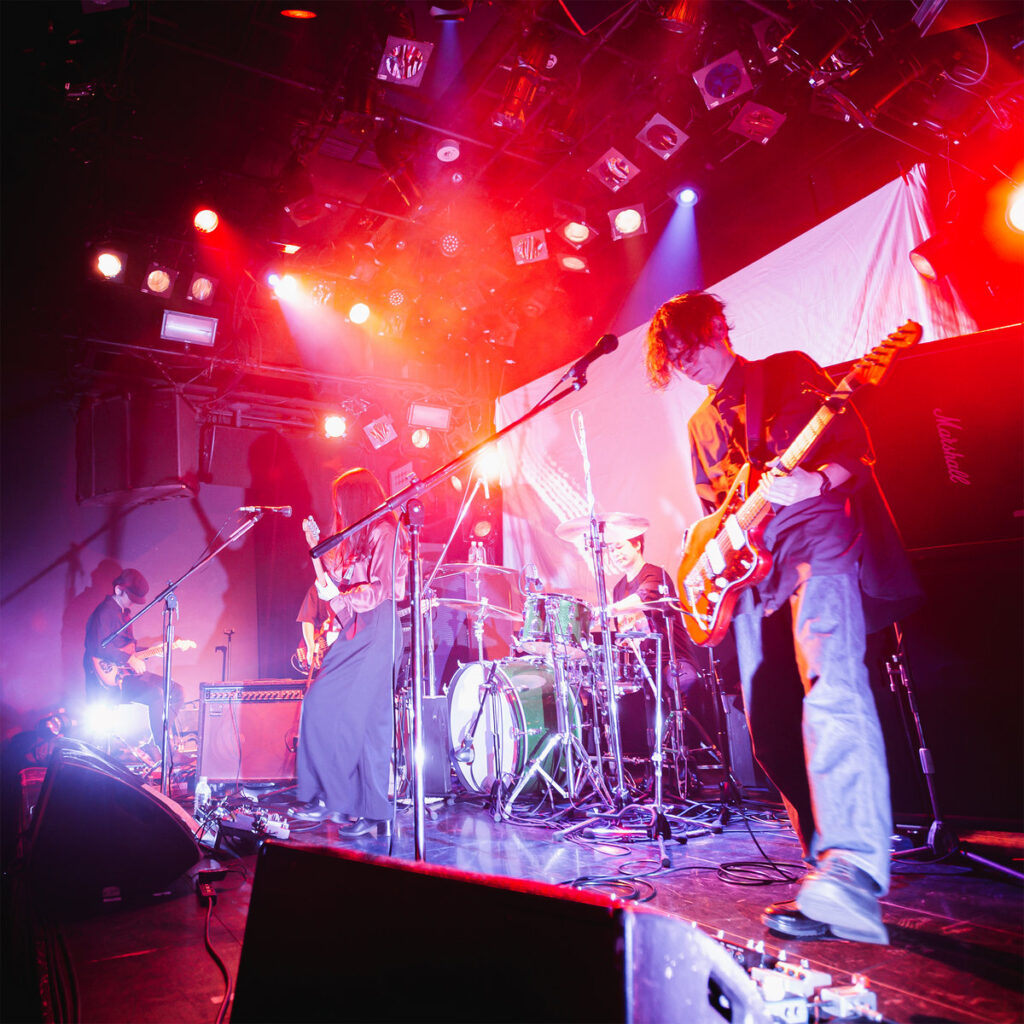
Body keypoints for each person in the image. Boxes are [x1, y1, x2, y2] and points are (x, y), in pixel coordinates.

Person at [644, 291, 919, 945]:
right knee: (766, 729)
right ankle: (824, 870)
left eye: (688, 347)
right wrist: (706, 557)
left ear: (716, 328)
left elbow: (858, 451)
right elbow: (716, 512)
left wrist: (814, 482)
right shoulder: (699, 427)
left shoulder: (787, 370)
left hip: (819, 542)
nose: (685, 364)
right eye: (673, 359)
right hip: (755, 575)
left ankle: (851, 872)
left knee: (832, 688)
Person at [291, 468, 408, 838]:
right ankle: (372, 809)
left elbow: (381, 589)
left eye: (341, 501)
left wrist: (340, 598)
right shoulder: (356, 537)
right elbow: (330, 582)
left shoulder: (384, 532)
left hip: (377, 627)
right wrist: (315, 548)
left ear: (357, 499)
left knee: (326, 705)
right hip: (357, 628)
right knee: (370, 725)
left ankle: (327, 796)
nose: (338, 509)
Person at [83, 568, 184, 757]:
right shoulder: (105, 612)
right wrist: (128, 658)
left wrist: (153, 650)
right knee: (156, 694)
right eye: (130, 597)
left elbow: (127, 648)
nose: (132, 602)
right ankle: (165, 752)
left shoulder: (124, 614)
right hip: (108, 680)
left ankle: (155, 742)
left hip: (125, 671)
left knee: (176, 691)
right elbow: (97, 647)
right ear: (118, 589)